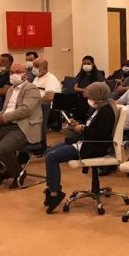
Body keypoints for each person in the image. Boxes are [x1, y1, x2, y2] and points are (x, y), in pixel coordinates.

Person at [43, 82, 118, 213]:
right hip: (85, 142)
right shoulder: (100, 108)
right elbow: (93, 127)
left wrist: (82, 128)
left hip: (93, 147)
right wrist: (78, 125)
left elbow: (100, 135)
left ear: (97, 95)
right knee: (49, 152)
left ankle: (55, 193)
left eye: (90, 96)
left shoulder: (106, 112)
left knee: (52, 157)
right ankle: (51, 188)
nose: (88, 99)